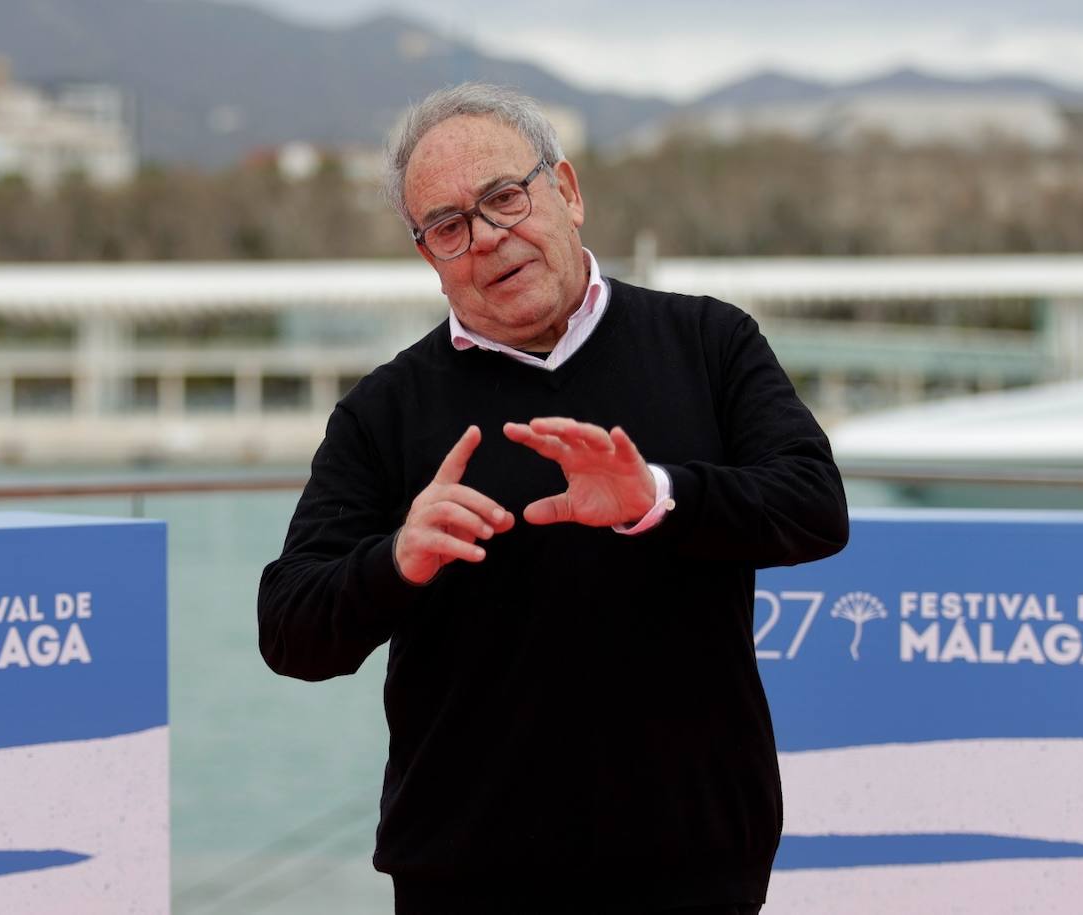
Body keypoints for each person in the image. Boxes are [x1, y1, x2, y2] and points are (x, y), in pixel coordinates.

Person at [258, 83, 848, 915]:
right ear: (427, 252)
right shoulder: (383, 411)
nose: (490, 238)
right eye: (451, 225)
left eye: (505, 197)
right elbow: (289, 629)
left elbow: (817, 506)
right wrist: (395, 561)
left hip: (697, 856)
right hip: (467, 872)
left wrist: (658, 496)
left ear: (566, 192)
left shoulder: (711, 341)